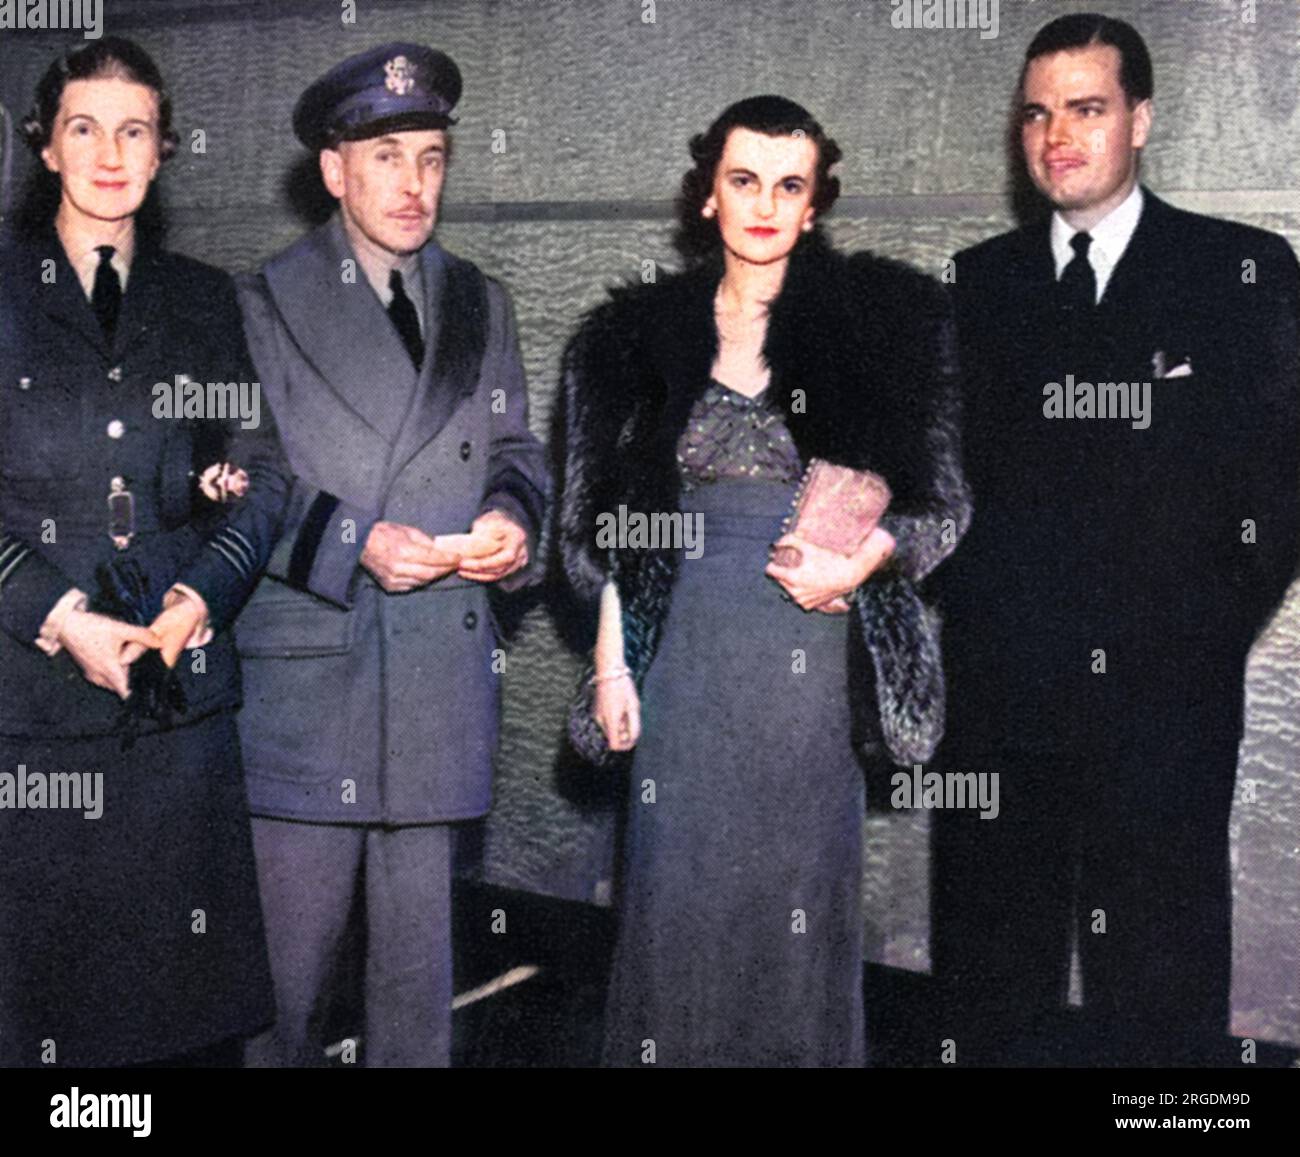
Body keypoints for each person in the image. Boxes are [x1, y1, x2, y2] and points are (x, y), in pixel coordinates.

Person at [561, 95, 968, 1067]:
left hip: (808, 671)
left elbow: (941, 508)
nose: (763, 205)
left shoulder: (882, 328)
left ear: (815, 203)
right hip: (681, 674)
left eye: (789, 186)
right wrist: (613, 670)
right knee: (673, 915)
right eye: (743, 181)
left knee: (793, 924)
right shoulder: (631, 338)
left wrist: (861, 559)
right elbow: (607, 533)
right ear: (707, 192)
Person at [932, 13, 1300, 1067]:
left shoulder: (1240, 271)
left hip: (1164, 709)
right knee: (992, 983)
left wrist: (1197, 639)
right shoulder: (975, 285)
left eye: (1085, 109)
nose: (1057, 135)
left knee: (1164, 985)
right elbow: (943, 488)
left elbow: (1276, 489)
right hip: (1002, 708)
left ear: (1140, 119)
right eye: (1037, 113)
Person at [235, 42, 547, 1068]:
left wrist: (511, 519)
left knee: (417, 1002)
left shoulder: (480, 302)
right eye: (385, 159)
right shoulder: (259, 304)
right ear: (333, 170)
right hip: (311, 686)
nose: (414, 186)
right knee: (279, 993)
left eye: (431, 158)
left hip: (435, 683)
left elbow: (515, 451)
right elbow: (237, 484)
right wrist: (356, 541)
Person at [0, 37, 290, 1067]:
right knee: (49, 1027)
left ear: (165, 150)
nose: (110, 153)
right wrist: (59, 613)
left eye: (135, 130)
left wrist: (199, 597)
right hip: (35, 720)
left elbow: (262, 478)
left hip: (178, 714)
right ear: (45, 147)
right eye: (85, 127)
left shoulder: (207, 302)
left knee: (180, 1026)